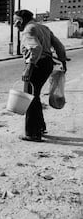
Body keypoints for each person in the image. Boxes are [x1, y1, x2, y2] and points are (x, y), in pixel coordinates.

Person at [14, 9, 67, 142]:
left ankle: (32, 133)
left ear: (21, 21)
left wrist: (28, 68)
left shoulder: (28, 29)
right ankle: (40, 127)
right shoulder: (43, 27)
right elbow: (59, 46)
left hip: (37, 65)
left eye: (16, 22)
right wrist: (63, 61)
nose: (15, 25)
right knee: (35, 96)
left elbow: (35, 48)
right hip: (47, 64)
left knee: (30, 97)